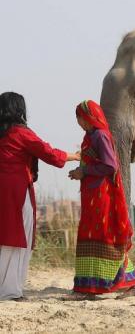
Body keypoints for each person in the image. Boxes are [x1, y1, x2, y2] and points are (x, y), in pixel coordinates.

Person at [0, 92, 80, 301]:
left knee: (5, 236)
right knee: (17, 237)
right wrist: (75, 156)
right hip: (15, 191)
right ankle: (10, 291)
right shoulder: (20, 133)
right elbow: (48, 152)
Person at [68, 100, 135, 299]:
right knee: (95, 236)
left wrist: (84, 171)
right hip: (92, 195)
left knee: (105, 236)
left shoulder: (100, 135)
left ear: (89, 117)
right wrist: (80, 172)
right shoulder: (91, 136)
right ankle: (96, 286)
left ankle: (91, 288)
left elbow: (110, 166)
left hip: (102, 195)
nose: (78, 122)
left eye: (80, 118)